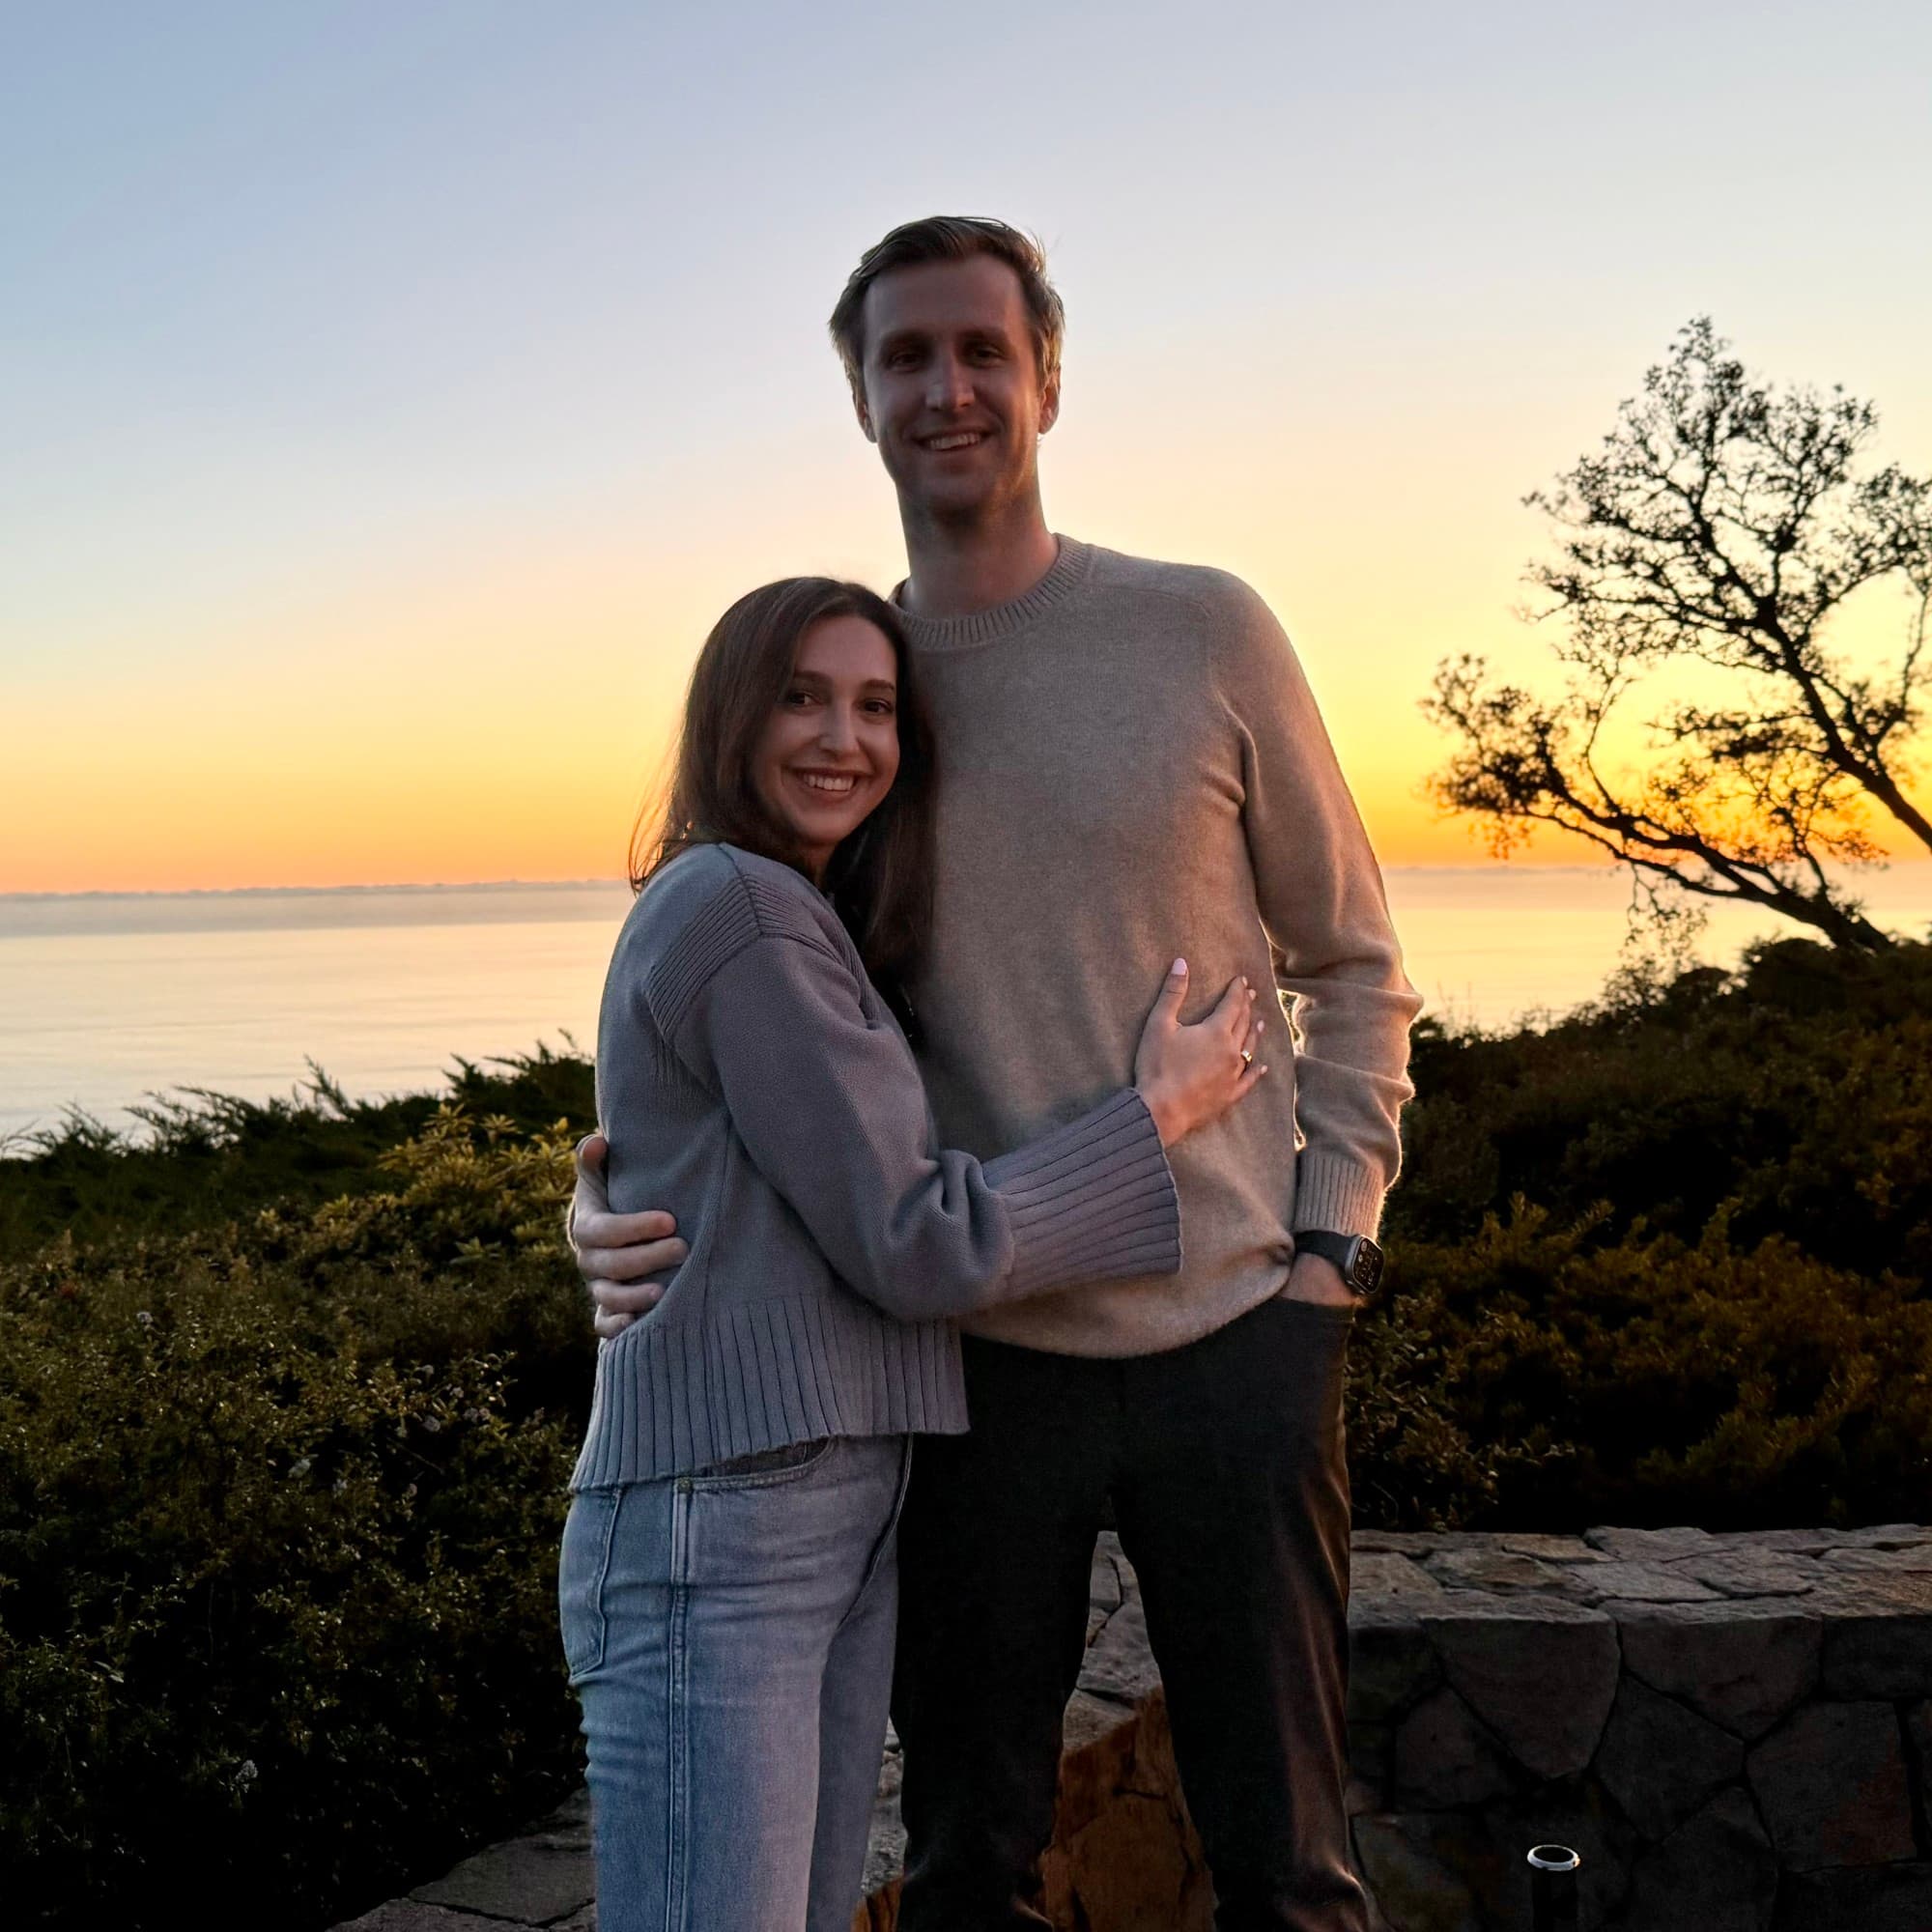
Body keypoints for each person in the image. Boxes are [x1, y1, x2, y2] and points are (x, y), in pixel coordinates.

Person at [572, 219, 1422, 1931]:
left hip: (1237, 1337)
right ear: (861, 398)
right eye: (905, 358)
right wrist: (608, 1204)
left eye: (980, 350)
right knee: (965, 1871)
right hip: (966, 1380)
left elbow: (1356, 963)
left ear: (1046, 377)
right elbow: (747, 1026)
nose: (947, 389)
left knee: (1292, 1869)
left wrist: (1332, 1247)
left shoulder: (1203, 630)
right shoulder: (848, 692)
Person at [563, 571, 1267, 1932]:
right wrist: (1158, 1117)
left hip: (811, 1518)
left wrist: (590, 1207)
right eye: (802, 699)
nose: (844, 737)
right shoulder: (742, 911)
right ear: (731, 717)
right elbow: (910, 1241)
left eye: (876, 707)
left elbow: (700, 1162)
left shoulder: (790, 914)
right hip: (719, 1529)